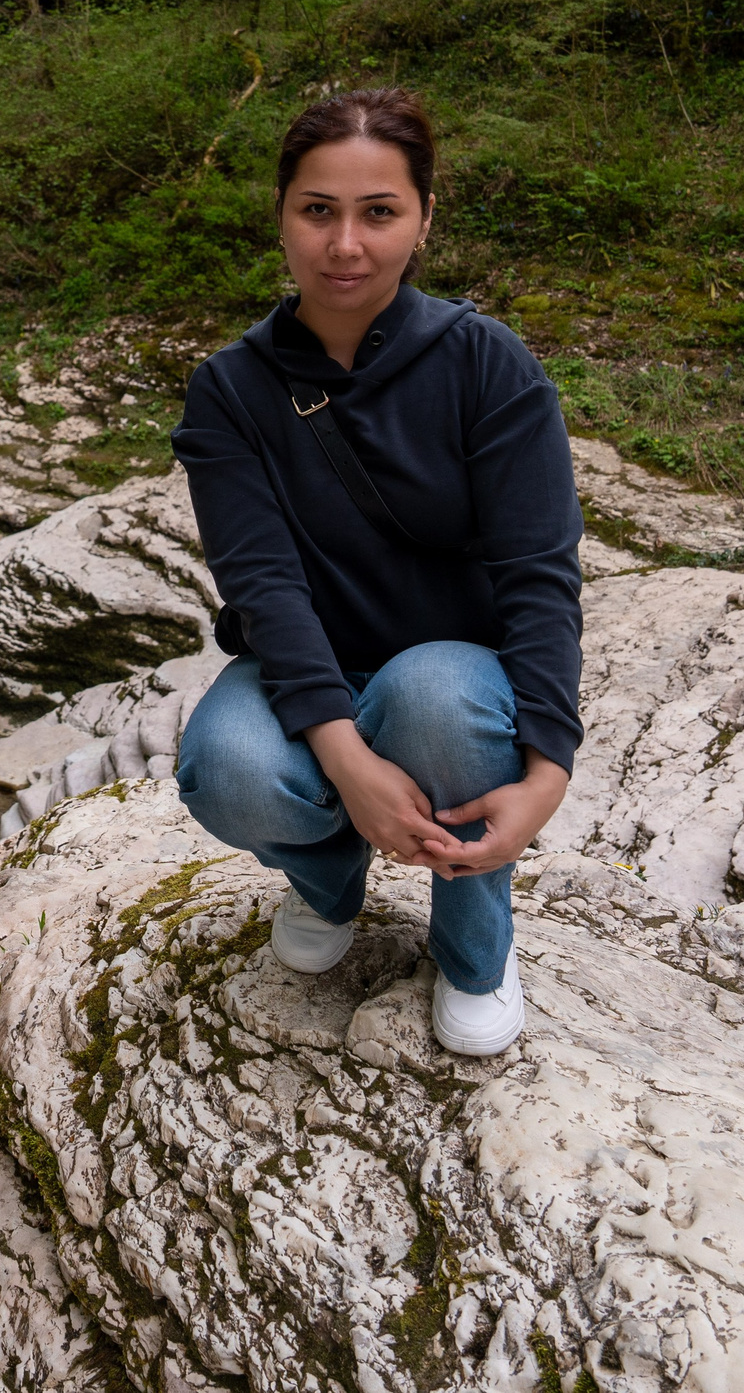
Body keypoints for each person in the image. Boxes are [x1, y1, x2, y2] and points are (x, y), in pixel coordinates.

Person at [170, 88, 583, 1058]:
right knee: (223, 765)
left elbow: (537, 572)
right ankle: (327, 879)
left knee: (434, 690)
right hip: (311, 668)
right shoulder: (230, 390)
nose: (344, 243)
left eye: (378, 212)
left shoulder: (488, 366)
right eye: (318, 210)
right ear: (280, 217)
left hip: (457, 680)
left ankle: (476, 944)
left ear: (423, 219)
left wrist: (548, 770)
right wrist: (350, 769)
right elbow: (262, 585)